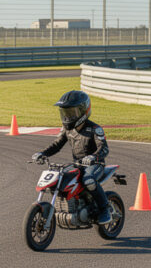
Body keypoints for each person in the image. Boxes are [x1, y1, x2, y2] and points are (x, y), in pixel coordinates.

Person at [31, 90, 113, 224]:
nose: (67, 117)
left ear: (83, 111)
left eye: (71, 113)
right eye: (65, 113)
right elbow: (56, 145)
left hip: (95, 165)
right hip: (78, 164)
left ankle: (105, 209)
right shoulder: (66, 129)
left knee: (88, 180)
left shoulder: (95, 129)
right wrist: (42, 153)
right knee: (60, 177)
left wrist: (93, 157)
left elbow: (104, 148)